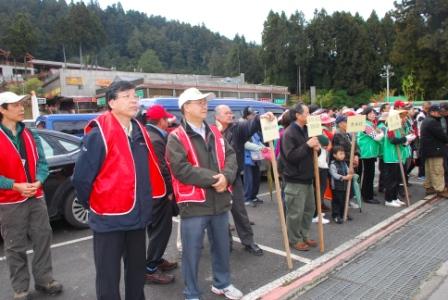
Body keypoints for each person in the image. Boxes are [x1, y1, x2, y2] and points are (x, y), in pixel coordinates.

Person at [72, 81, 167, 300]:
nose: (134, 100)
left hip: (137, 217)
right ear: (112, 102)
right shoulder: (99, 132)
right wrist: (95, 204)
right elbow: (81, 179)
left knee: (136, 273)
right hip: (109, 219)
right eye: (126, 96)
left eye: (135, 95)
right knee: (108, 277)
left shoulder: (139, 131)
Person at [166, 87, 242, 300]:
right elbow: (181, 169)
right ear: (185, 107)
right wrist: (215, 179)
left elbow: (230, 155)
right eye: (198, 102)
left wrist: (226, 177)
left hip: (219, 201)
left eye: (204, 101)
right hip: (194, 205)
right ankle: (191, 292)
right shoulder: (176, 137)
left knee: (222, 247)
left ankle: (222, 283)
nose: (204, 105)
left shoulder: (215, 132)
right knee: (191, 252)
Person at [0, 92, 63, 300]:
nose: (21, 108)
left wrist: (39, 181)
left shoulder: (31, 134)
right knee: (14, 246)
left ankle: (45, 280)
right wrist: (14, 185)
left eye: (22, 104)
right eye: (16, 105)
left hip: (36, 196)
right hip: (10, 202)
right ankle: (21, 289)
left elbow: (42, 163)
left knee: (43, 238)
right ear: (2, 110)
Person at [215, 104, 275, 256]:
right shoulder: (211, 132)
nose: (231, 115)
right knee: (220, 214)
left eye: (231, 112)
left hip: (233, 178)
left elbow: (250, 125)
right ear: (217, 117)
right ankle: (224, 243)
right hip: (216, 180)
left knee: (240, 211)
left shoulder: (237, 130)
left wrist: (262, 118)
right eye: (227, 113)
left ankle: (248, 241)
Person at [278, 103, 320, 251]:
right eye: (307, 113)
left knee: (309, 209)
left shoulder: (308, 129)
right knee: (295, 212)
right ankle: (294, 239)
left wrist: (317, 149)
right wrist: (307, 145)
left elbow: (314, 153)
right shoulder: (289, 133)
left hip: (308, 177)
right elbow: (290, 157)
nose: (309, 115)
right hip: (295, 179)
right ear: (298, 115)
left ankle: (304, 235)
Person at [144, 104, 178, 284]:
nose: (169, 121)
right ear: (161, 121)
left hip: (150, 193)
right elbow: (161, 168)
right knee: (161, 230)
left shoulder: (148, 133)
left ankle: (155, 260)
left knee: (154, 228)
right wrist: (170, 191)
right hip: (159, 193)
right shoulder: (156, 139)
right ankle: (150, 268)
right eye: (166, 118)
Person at [381, 110, 413, 207]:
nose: (404, 119)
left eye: (404, 117)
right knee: (391, 180)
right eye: (402, 117)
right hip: (391, 157)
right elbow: (393, 140)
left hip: (398, 156)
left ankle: (395, 197)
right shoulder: (390, 127)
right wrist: (405, 139)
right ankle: (389, 199)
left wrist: (407, 140)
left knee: (396, 179)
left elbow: (400, 141)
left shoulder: (399, 128)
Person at [420, 104, 448, 197]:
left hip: (428, 150)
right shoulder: (433, 122)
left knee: (429, 169)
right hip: (435, 150)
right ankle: (440, 189)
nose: (440, 114)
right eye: (438, 112)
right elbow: (442, 136)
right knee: (437, 170)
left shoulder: (427, 120)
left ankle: (429, 187)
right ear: (432, 112)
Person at [357, 107, 383, 204]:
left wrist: (380, 133)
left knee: (370, 174)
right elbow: (376, 137)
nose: (373, 115)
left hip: (370, 152)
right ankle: (367, 196)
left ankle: (368, 193)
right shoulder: (366, 125)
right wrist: (382, 133)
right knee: (369, 174)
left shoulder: (371, 124)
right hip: (367, 152)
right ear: (366, 115)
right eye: (371, 113)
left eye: (374, 113)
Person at [242, 107, 265, 206]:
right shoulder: (243, 126)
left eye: (254, 115)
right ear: (247, 116)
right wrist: (260, 148)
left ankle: (253, 197)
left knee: (256, 178)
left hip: (256, 157)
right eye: (252, 115)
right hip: (247, 158)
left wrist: (264, 148)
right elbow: (245, 144)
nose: (253, 116)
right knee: (249, 179)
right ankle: (247, 199)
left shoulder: (253, 128)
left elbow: (258, 140)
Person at [329, 146, 353, 224]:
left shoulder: (344, 163)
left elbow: (347, 170)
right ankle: (336, 215)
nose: (343, 155)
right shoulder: (333, 164)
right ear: (334, 155)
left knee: (344, 200)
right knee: (337, 201)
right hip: (336, 187)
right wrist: (345, 177)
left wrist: (350, 171)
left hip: (344, 186)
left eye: (343, 154)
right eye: (340, 154)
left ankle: (343, 213)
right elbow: (334, 175)